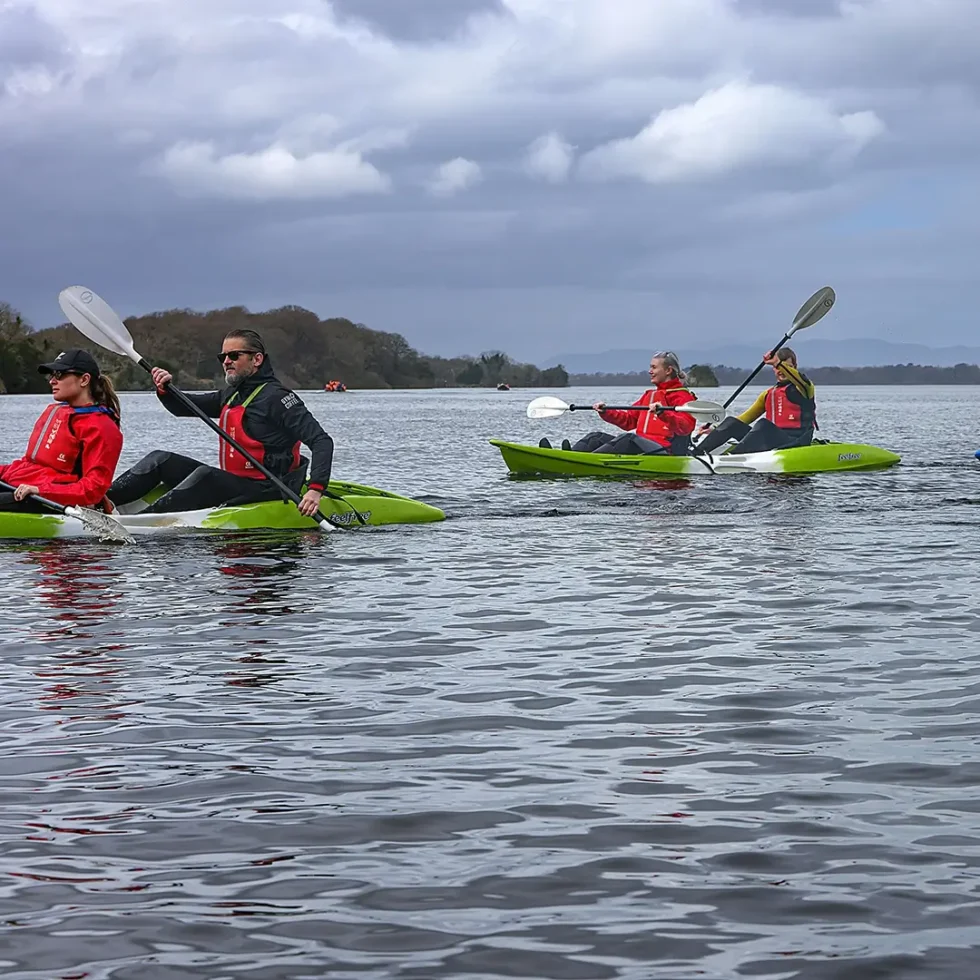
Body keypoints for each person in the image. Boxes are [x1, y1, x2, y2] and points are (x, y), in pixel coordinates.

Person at [108, 329, 333, 515]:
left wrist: (315, 489)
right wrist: (165, 389)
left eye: (234, 356)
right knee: (161, 459)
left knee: (205, 476)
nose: (226, 361)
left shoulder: (278, 398)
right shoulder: (232, 395)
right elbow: (183, 407)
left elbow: (322, 441)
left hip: (270, 488)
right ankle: (100, 501)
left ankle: (140, 522)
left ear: (257, 359)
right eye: (223, 357)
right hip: (237, 482)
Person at [0, 349, 123, 512]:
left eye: (59, 375)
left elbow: (93, 490)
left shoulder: (102, 427)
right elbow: (28, 466)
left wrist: (40, 490)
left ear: (84, 380)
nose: (52, 381)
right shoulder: (56, 412)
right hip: (24, 489)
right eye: (52, 375)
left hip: (53, 500)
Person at [540, 351, 696, 455]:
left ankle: (577, 462)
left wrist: (663, 413)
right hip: (643, 448)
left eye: (654, 367)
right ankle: (565, 456)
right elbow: (628, 421)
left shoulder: (683, 396)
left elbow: (686, 427)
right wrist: (606, 412)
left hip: (664, 451)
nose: (650, 371)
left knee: (627, 438)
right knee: (596, 437)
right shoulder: (650, 395)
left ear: (668, 371)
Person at [695, 347, 816, 455]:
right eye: (776, 368)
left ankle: (734, 456)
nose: (781, 371)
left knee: (764, 424)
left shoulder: (804, 389)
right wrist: (716, 430)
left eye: (787, 367)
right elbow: (745, 418)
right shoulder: (768, 394)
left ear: (794, 368)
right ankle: (695, 453)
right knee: (732, 421)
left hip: (794, 442)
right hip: (771, 441)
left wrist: (778, 363)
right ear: (773, 369)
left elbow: (802, 380)